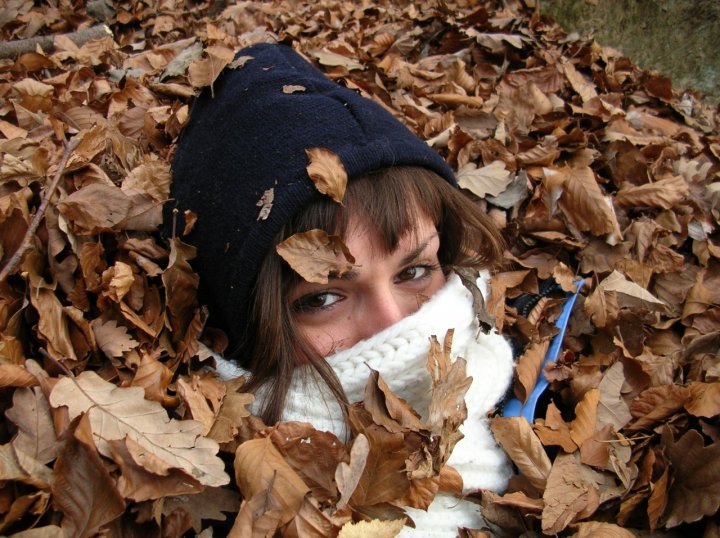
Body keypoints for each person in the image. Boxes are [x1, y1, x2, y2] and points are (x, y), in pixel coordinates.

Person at [169, 42, 515, 535]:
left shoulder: (517, 390)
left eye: (414, 271)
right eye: (322, 299)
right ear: (244, 332)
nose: (395, 324)